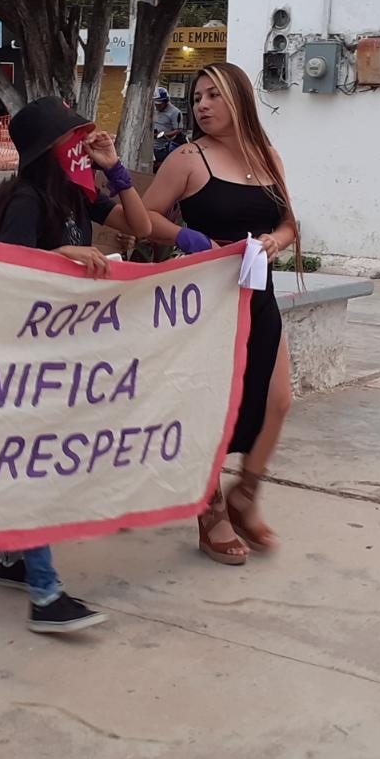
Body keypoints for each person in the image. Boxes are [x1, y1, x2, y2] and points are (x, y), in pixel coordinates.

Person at [0, 95, 152, 632]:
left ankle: (13, 558)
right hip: (23, 361)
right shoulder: (27, 198)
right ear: (47, 150)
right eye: (73, 138)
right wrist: (60, 258)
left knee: (38, 462)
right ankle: (45, 595)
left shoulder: (76, 195)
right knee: (35, 466)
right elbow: (7, 271)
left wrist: (114, 168)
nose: (83, 144)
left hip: (61, 354)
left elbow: (139, 226)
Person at [137, 62, 297, 564]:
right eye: (198, 97)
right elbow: (143, 217)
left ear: (240, 100)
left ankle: (245, 494)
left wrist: (276, 240)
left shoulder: (267, 156)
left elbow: (290, 222)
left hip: (259, 290)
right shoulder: (188, 159)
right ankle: (209, 510)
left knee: (278, 400)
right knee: (206, 407)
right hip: (206, 300)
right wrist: (190, 239)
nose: (202, 105)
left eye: (214, 96)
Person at [152, 86, 184, 170]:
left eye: (159, 104)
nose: (157, 106)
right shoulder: (154, 109)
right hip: (151, 145)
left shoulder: (175, 112)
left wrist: (162, 135)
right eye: (155, 104)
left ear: (166, 102)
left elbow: (178, 130)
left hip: (163, 147)